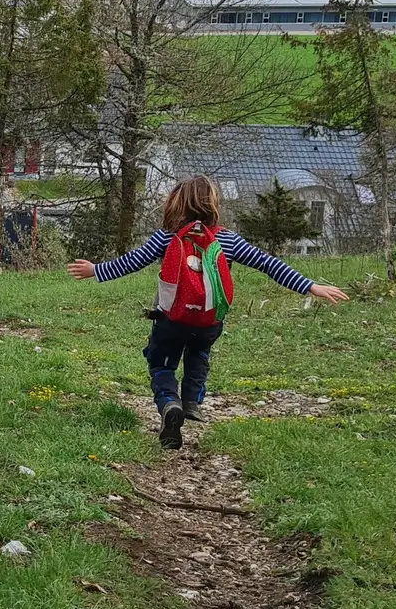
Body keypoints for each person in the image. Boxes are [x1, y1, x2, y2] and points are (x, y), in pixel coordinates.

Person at [67, 176, 350, 449]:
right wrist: (310, 286)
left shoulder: (166, 237)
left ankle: (169, 403)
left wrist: (97, 270)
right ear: (213, 205)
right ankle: (192, 401)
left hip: (170, 320)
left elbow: (133, 261)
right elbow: (267, 263)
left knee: (162, 365)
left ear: (175, 204)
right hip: (208, 322)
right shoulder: (227, 240)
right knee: (199, 353)